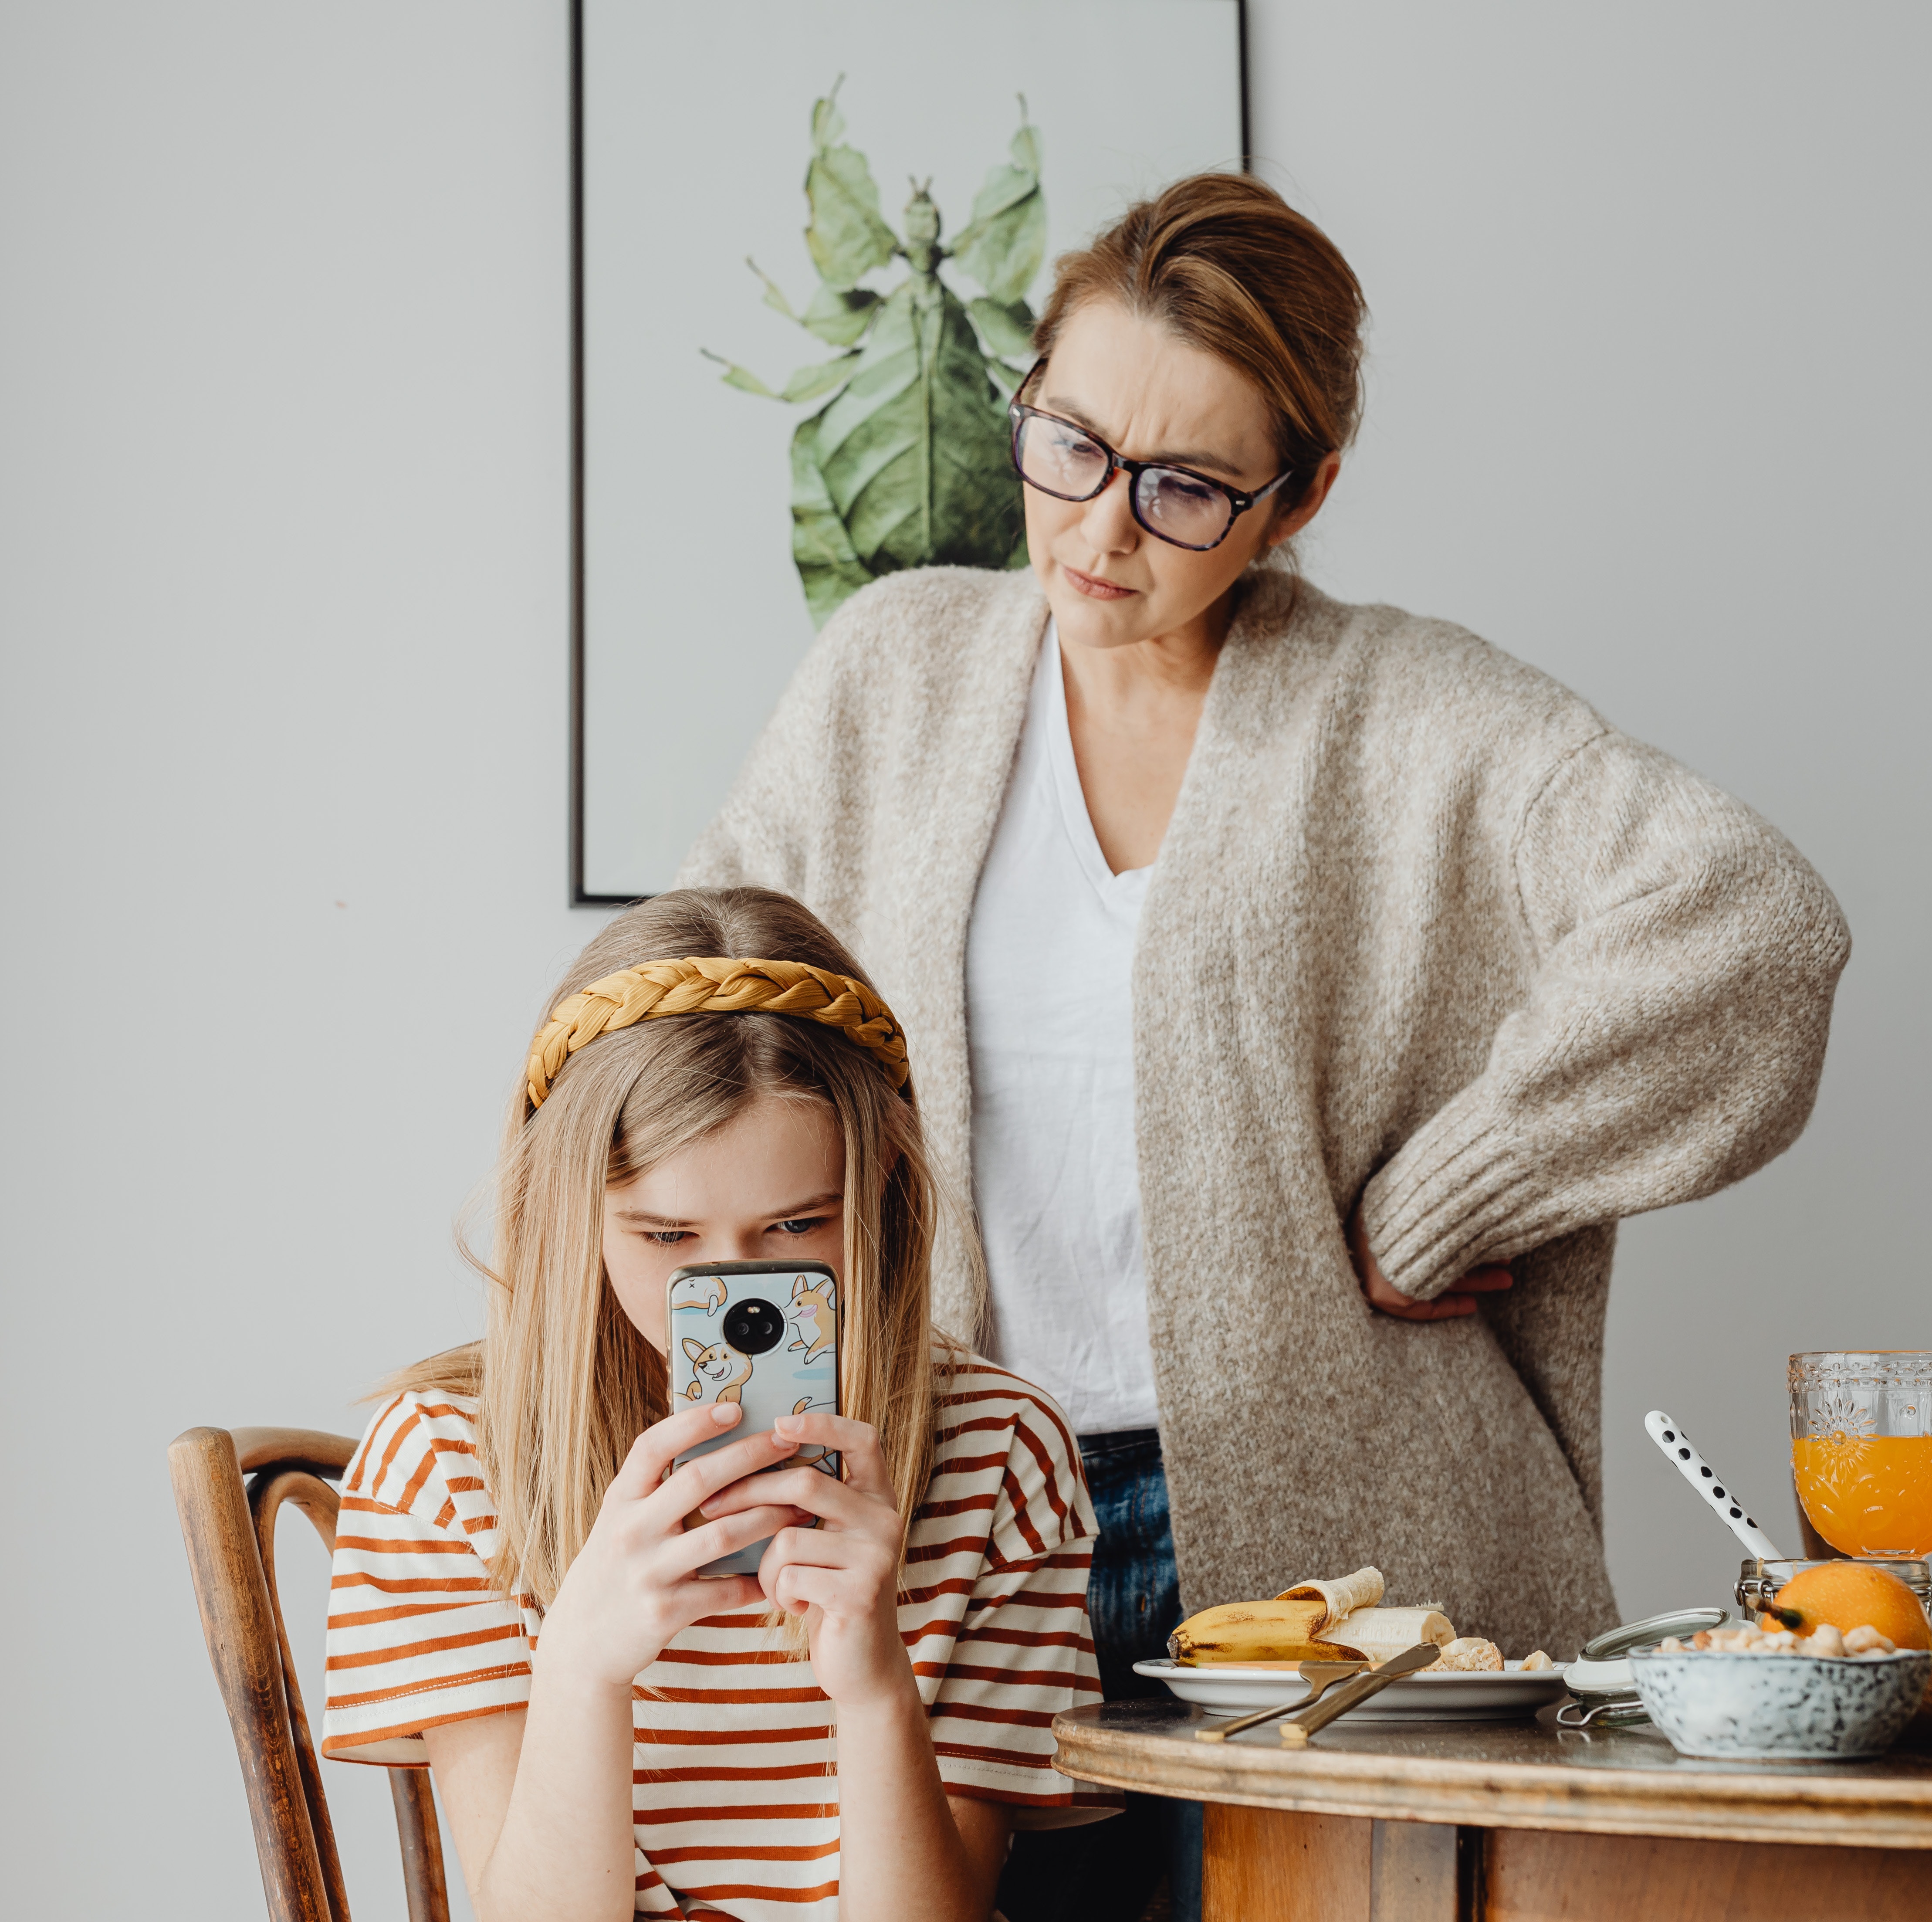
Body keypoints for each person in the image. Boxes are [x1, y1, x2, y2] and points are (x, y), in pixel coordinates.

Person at [681, 172, 1851, 1919]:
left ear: (1297, 496)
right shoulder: (890, 676)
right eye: (1068, 441)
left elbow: (1756, 922)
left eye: (1185, 487)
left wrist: (1460, 1187)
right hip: (954, 1529)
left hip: (1348, 1580)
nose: (1099, 526)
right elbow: (689, 1032)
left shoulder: (1413, 711)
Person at [320, 888, 1108, 1922]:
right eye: (664, 1238)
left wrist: (875, 1691)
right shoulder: (444, 1463)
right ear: (572, 1215)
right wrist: (580, 1672)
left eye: (793, 1225)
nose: (735, 1294)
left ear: (879, 1191)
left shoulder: (999, 1454)